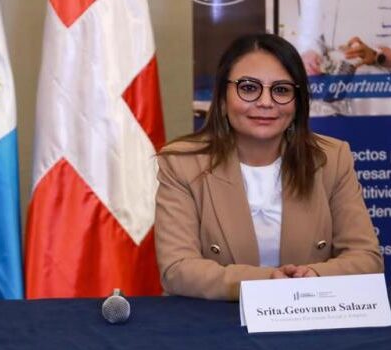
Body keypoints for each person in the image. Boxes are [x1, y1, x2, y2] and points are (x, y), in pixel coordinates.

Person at [155, 33, 382, 300]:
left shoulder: (332, 158)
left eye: (281, 90)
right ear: (222, 99)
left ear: (298, 103)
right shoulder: (182, 163)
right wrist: (268, 282)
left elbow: (366, 259)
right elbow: (177, 269)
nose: (265, 102)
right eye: (249, 88)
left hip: (308, 315)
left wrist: (314, 277)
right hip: (215, 319)